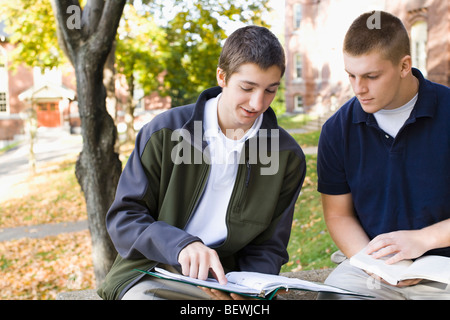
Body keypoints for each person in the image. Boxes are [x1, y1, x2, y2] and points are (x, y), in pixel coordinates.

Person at [97, 25, 306, 300]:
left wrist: (250, 289)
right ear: (222, 76)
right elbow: (125, 218)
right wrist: (181, 246)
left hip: (228, 281)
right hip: (154, 272)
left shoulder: (286, 156)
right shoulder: (164, 133)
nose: (258, 103)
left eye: (270, 90)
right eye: (247, 87)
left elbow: (269, 246)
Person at [317, 11, 450, 300]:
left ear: (404, 66)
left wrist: (422, 240)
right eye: (351, 75)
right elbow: (338, 215)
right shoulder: (336, 130)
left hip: (444, 267)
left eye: (371, 76)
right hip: (370, 266)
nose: (358, 89)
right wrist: (371, 262)